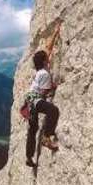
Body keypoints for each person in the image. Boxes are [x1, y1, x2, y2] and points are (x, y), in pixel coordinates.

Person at [25, 23, 61, 167]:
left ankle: (29, 157)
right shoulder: (45, 74)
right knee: (53, 110)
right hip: (36, 100)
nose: (49, 57)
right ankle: (47, 137)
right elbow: (46, 92)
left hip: (29, 101)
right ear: (45, 62)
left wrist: (56, 33)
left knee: (32, 130)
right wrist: (55, 86)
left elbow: (48, 49)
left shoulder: (40, 70)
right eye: (48, 58)